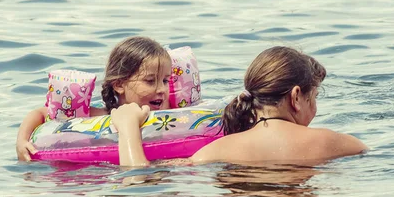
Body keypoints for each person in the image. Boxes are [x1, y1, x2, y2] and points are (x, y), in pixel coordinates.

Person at [112, 46, 368, 167]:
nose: (315, 108)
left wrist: (127, 127)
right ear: (296, 96)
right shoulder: (340, 144)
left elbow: (137, 179)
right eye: (315, 97)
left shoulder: (213, 152)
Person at [16, 36, 171, 162]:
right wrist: (21, 141)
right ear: (119, 85)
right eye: (150, 81)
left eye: (165, 81)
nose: (161, 89)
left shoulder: (169, 112)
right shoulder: (100, 115)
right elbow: (41, 114)